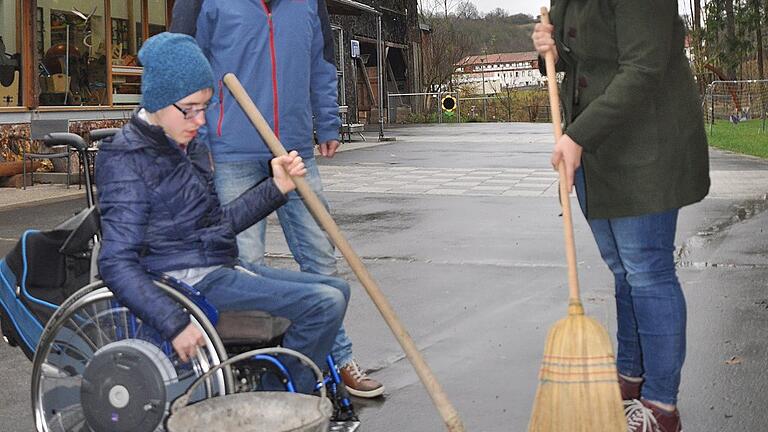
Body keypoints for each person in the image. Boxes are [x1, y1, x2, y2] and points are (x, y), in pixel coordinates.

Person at [95, 32, 350, 393]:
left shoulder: (187, 146)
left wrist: (275, 188)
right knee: (324, 303)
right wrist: (174, 322)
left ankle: (274, 393)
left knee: (337, 289)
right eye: (191, 109)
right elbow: (116, 261)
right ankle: (272, 402)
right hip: (184, 287)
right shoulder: (125, 158)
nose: (200, 120)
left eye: (205, 107)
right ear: (159, 100)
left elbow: (218, 227)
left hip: (217, 269)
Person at [170, 0, 384, 397]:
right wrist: (198, 142)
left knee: (321, 259)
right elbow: (187, 63)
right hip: (231, 151)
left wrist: (327, 119)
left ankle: (337, 358)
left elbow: (320, 63)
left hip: (294, 149)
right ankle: (257, 369)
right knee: (246, 270)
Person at [532, 2, 710, 431]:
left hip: (644, 149)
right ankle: (630, 381)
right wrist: (547, 50)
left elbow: (644, 68)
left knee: (648, 272)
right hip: (601, 153)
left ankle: (660, 407)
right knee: (623, 271)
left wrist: (577, 137)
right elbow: (580, 58)